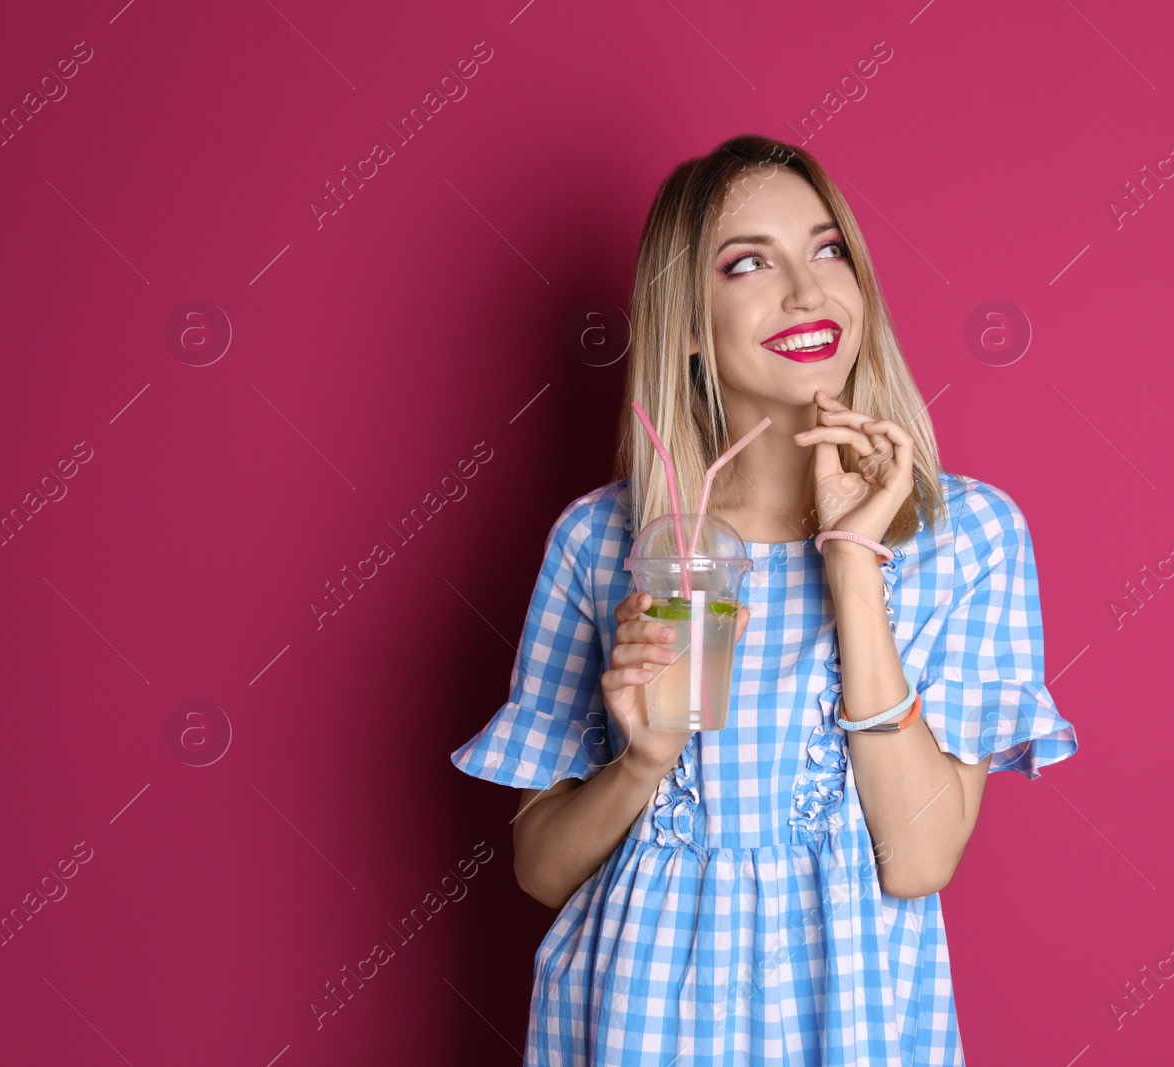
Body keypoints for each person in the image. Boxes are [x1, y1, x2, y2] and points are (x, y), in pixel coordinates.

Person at [450, 134, 1079, 1065]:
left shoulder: (968, 534)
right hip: (633, 1017)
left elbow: (919, 859)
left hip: (851, 1020)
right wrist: (641, 761)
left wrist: (854, 557)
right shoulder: (602, 542)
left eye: (829, 251)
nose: (806, 291)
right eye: (750, 262)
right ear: (691, 324)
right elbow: (541, 868)